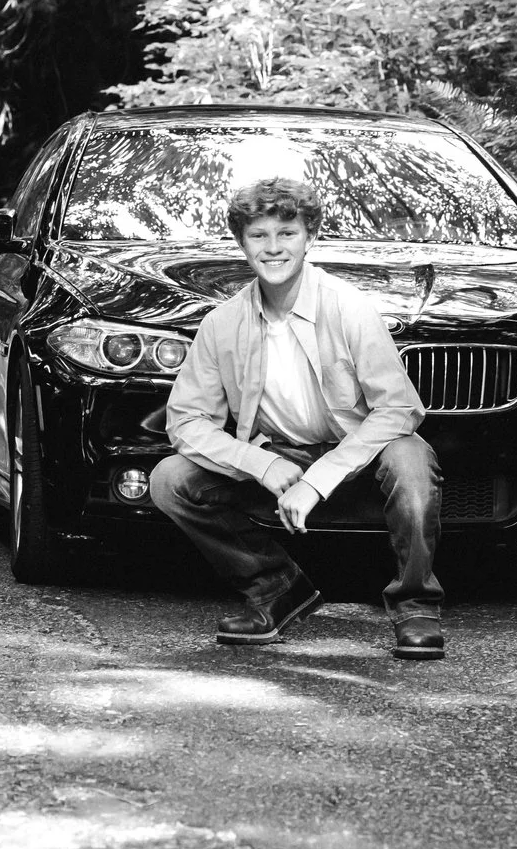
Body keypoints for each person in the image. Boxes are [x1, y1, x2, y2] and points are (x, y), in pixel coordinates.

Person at [148, 176, 445, 658]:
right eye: (258, 235)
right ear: (241, 243)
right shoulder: (222, 324)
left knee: (411, 459)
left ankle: (415, 605)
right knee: (170, 479)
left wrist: (319, 479)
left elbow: (399, 408)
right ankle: (276, 589)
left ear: (310, 236)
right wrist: (262, 464)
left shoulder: (348, 307)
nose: (273, 248)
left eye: (286, 233)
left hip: (357, 460)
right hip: (279, 463)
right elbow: (185, 423)